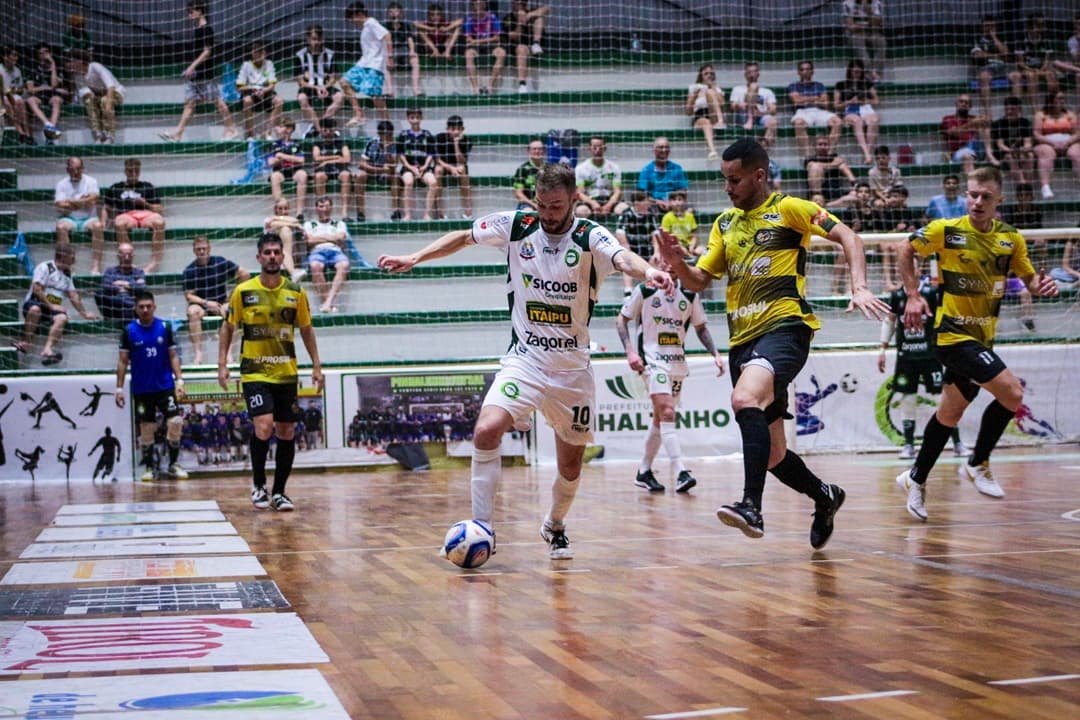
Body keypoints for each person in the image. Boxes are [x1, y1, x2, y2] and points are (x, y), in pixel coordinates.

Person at [378, 163, 674, 560]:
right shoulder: (517, 225)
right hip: (525, 361)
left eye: (556, 206)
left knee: (570, 467)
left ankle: (554, 525)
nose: (549, 214)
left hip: (572, 371)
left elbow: (623, 259)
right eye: (543, 205)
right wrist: (415, 257)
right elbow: (463, 237)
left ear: (573, 200)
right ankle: (483, 527)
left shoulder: (589, 235)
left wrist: (650, 271)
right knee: (486, 431)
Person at [655, 138, 889, 548]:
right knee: (776, 455)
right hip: (742, 342)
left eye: (735, 179)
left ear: (759, 175)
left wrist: (860, 286)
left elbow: (849, 236)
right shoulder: (725, 223)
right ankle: (825, 496)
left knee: (745, 400)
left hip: (786, 328)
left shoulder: (789, 209)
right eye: (725, 180)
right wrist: (678, 265)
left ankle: (751, 506)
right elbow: (699, 281)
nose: (728, 188)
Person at [895, 166, 1059, 519]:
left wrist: (1040, 286)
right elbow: (904, 249)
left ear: (999, 199)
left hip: (982, 338)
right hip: (952, 335)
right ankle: (978, 462)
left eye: (985, 196)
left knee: (949, 413)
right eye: (972, 194)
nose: (977, 201)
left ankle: (916, 478)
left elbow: (1029, 280)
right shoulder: (946, 231)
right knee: (1012, 393)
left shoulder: (1010, 239)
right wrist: (912, 294)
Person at [219, 233, 325, 512]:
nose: (272, 256)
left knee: (287, 430)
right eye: (267, 252)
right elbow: (228, 327)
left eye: (277, 252)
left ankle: (279, 492)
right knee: (264, 426)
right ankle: (258, 485)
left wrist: (316, 365)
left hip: (286, 372)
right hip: (255, 372)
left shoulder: (295, 292)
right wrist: (222, 364)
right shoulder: (243, 291)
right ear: (259, 257)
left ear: (282, 256)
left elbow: (306, 329)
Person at [616, 260, 724, 493]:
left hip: (676, 363)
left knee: (660, 418)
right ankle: (680, 471)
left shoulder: (690, 295)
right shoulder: (645, 289)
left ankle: (644, 471)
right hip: (652, 362)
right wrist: (630, 351)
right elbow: (621, 319)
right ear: (657, 264)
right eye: (665, 261)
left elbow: (701, 327)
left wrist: (715, 353)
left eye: (675, 262)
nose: (670, 266)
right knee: (667, 412)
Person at [879, 266, 967, 460]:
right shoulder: (896, 296)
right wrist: (882, 349)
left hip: (931, 356)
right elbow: (890, 321)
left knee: (943, 400)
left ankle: (957, 443)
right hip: (906, 358)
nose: (910, 269)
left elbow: (945, 319)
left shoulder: (932, 293)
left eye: (914, 264)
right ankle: (909, 446)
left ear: (919, 270)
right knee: (907, 400)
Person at [115, 290, 188, 481]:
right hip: (142, 389)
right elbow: (122, 362)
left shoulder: (165, 327)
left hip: (165, 386)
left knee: (175, 422)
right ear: (136, 309)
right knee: (147, 428)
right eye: (141, 307)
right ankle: (148, 467)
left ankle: (173, 464)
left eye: (149, 306)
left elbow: (173, 355)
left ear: (154, 307)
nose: (145, 310)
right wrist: (119, 389)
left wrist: (179, 379)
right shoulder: (128, 331)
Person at [159, 1, 237, 142]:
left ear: (200, 11)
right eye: (188, 12)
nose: (189, 14)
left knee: (217, 101)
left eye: (191, 11)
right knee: (189, 103)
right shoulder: (198, 30)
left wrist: (191, 66)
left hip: (205, 73)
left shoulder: (206, 29)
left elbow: (207, 52)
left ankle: (231, 128)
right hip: (196, 75)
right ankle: (178, 133)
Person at [16, 244, 99, 366]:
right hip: (36, 302)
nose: (74, 260)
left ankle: (48, 349)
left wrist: (84, 313)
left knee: (62, 318)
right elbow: (37, 289)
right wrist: (51, 306)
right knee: (35, 310)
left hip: (52, 309)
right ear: (64, 257)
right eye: (72, 257)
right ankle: (27, 342)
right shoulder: (45, 267)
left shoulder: (67, 274)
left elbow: (73, 295)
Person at [183, 236, 249, 365]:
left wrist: (232, 297)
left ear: (209, 249)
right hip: (201, 305)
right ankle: (198, 354)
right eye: (198, 249)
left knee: (231, 310)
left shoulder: (220, 262)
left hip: (221, 303)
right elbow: (189, 296)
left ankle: (229, 355)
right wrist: (206, 303)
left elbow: (245, 274)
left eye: (204, 248)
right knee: (192, 311)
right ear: (194, 251)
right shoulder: (189, 270)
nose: (202, 251)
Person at [102, 158, 165, 273]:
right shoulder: (116, 187)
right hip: (127, 215)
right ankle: (129, 259)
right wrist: (103, 223)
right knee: (119, 223)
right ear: (125, 172)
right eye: (131, 171)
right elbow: (106, 208)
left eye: (137, 171)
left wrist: (145, 203)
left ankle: (153, 263)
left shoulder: (147, 186)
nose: (134, 174)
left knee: (160, 222)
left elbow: (160, 208)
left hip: (146, 214)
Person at [340, 1, 392, 126]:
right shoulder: (365, 27)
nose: (353, 22)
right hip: (364, 63)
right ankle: (359, 114)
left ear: (360, 14)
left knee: (374, 95)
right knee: (344, 81)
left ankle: (387, 122)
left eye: (352, 18)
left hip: (374, 65)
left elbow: (387, 35)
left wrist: (390, 57)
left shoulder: (371, 22)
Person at [54, 157, 106, 275]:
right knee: (61, 227)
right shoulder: (61, 184)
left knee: (98, 226)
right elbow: (59, 205)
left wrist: (71, 202)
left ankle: (96, 266)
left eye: (78, 169)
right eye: (73, 169)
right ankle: (67, 267)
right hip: (69, 218)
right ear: (67, 169)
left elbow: (93, 200)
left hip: (89, 218)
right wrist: (82, 202)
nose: (76, 172)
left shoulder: (91, 181)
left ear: (83, 168)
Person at [294, 24, 348, 137]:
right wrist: (316, 88)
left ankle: (319, 125)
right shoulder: (300, 55)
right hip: (309, 87)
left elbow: (333, 79)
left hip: (325, 86)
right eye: (313, 39)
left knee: (340, 97)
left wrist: (325, 87)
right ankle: (320, 130)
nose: (316, 42)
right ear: (307, 39)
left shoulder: (329, 54)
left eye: (319, 39)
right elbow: (300, 82)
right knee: (302, 98)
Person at [303, 196, 351, 313]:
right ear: (316, 208)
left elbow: (341, 238)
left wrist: (318, 238)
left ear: (331, 208)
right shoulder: (310, 224)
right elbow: (309, 241)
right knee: (315, 266)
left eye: (327, 206)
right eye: (321, 206)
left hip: (336, 252)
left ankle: (327, 303)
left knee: (344, 265)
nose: (324, 209)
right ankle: (329, 304)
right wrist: (331, 238)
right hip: (317, 252)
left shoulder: (339, 223)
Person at [67, 49, 125, 144]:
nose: (69, 64)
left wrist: (108, 105)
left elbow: (110, 86)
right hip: (98, 94)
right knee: (89, 100)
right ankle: (98, 133)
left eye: (72, 61)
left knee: (105, 101)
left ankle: (110, 134)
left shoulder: (95, 66)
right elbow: (84, 92)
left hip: (115, 92)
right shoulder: (77, 75)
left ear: (80, 61)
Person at [970, 15, 1021, 118]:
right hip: (986, 67)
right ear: (982, 27)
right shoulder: (977, 40)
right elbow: (978, 55)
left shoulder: (1001, 38)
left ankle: (1016, 110)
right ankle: (988, 113)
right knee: (984, 77)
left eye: (992, 26)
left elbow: (1005, 53)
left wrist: (994, 37)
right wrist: (996, 55)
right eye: (987, 26)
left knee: (1016, 75)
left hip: (1003, 66)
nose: (989, 28)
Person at [1032, 90, 1080, 200]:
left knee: (1077, 153)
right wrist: (1052, 143)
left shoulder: (1070, 114)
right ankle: (1045, 187)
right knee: (1047, 153)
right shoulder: (1041, 114)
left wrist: (1067, 142)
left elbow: (1077, 133)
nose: (1061, 101)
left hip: (1067, 142)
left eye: (1062, 98)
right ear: (1051, 100)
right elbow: (1036, 134)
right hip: (1046, 142)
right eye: (1058, 98)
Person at [788, 59, 841, 157]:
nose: (805, 71)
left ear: (812, 71)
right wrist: (816, 98)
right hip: (803, 111)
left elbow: (825, 103)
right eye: (802, 69)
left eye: (808, 69)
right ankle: (808, 157)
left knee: (837, 121)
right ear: (798, 72)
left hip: (820, 111)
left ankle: (828, 153)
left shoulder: (819, 85)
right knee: (799, 123)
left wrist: (804, 99)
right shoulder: (793, 86)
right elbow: (796, 101)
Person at [833, 58, 879, 165]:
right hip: (850, 109)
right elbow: (836, 105)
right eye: (854, 71)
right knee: (857, 120)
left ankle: (868, 153)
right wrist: (849, 102)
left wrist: (865, 100)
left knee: (874, 120)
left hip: (865, 108)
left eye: (859, 71)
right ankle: (867, 154)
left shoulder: (867, 84)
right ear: (850, 71)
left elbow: (876, 101)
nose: (857, 74)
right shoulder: (840, 85)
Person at [397, 107, 438, 221]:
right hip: (408, 168)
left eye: (417, 117)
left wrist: (425, 166)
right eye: (412, 117)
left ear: (421, 118)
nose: (415, 120)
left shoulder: (427, 135)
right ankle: (407, 214)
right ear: (408, 119)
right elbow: (401, 154)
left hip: (424, 168)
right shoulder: (403, 135)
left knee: (433, 182)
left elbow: (431, 153)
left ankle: (427, 214)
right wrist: (409, 167)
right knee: (409, 182)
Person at [356, 119, 401, 222]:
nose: (387, 137)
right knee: (360, 176)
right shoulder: (371, 143)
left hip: (386, 172)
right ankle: (360, 212)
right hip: (372, 170)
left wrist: (387, 154)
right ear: (379, 134)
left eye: (389, 134)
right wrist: (380, 170)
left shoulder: (395, 145)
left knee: (396, 176)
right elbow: (362, 164)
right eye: (384, 135)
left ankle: (396, 211)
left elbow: (393, 167)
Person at [615, 191, 660, 294]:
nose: (648, 204)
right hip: (632, 249)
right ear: (637, 203)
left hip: (647, 249)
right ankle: (628, 292)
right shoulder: (626, 214)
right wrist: (628, 251)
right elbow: (620, 234)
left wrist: (656, 252)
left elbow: (656, 235)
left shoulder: (651, 214)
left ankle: (651, 289)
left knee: (657, 259)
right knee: (626, 260)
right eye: (646, 202)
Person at [236, 42, 283, 140]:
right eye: (255, 52)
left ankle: (268, 133)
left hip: (265, 91)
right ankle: (250, 134)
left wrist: (264, 90)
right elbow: (239, 87)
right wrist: (253, 89)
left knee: (279, 101)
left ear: (264, 53)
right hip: (250, 91)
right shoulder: (246, 65)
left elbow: (272, 84)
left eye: (260, 52)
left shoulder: (269, 64)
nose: (258, 55)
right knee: (247, 101)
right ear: (252, 53)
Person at [941, 94, 995, 173]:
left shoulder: (974, 118)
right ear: (956, 104)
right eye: (961, 101)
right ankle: (973, 184)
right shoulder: (948, 119)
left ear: (970, 106)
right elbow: (955, 133)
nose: (963, 104)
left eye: (966, 102)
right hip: (959, 152)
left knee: (984, 124)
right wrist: (972, 123)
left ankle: (989, 153)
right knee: (967, 156)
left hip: (978, 149)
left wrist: (984, 120)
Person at [728, 60, 778, 148]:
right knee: (753, 87)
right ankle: (750, 119)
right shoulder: (738, 89)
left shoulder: (767, 91)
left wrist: (760, 113)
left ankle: (763, 151)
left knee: (773, 122)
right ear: (745, 75)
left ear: (758, 74)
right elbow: (732, 106)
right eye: (749, 72)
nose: (752, 75)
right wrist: (742, 105)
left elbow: (773, 109)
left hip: (760, 116)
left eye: (754, 72)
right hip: (744, 116)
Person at [504, 0, 551, 93]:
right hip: (519, 47)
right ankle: (522, 84)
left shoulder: (531, 11)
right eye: (516, 2)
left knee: (539, 17)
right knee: (522, 48)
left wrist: (530, 15)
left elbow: (547, 8)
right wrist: (520, 24)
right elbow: (514, 37)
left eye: (522, 2)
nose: (519, 4)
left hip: (534, 47)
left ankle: (536, 43)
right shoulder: (508, 18)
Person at [267, 117, 309, 220]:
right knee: (274, 176)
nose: (286, 130)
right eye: (283, 127)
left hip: (295, 170)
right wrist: (290, 158)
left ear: (293, 130)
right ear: (279, 129)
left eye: (289, 127)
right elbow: (271, 162)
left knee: (303, 175)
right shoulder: (274, 144)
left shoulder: (297, 144)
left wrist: (282, 156)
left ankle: (299, 213)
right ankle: (280, 208)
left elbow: (301, 160)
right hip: (280, 171)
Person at [573, 135, 625, 218]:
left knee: (623, 209)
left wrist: (609, 205)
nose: (598, 150)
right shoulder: (581, 168)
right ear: (589, 148)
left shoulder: (613, 167)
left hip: (609, 199)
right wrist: (592, 203)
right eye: (594, 147)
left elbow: (617, 191)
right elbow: (580, 192)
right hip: (590, 200)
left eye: (600, 147)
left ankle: (619, 231)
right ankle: (583, 231)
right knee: (581, 211)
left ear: (605, 148)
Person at [1015, 13, 1057, 113]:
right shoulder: (1021, 39)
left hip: (1041, 69)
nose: (1042, 27)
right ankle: (1035, 110)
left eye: (1042, 24)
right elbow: (1020, 63)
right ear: (1031, 26)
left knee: (1051, 74)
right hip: (1026, 69)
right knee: (1031, 76)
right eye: (1039, 24)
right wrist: (1032, 69)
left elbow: (1047, 61)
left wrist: (1042, 69)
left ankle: (1052, 107)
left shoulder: (1046, 39)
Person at [25, 43, 67, 144]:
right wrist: (43, 87)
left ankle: (50, 133)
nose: (44, 55)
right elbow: (30, 90)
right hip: (39, 96)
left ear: (50, 53)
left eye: (46, 52)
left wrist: (53, 65)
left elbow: (54, 85)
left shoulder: (58, 68)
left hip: (53, 95)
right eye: (41, 53)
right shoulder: (33, 69)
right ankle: (48, 125)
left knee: (56, 101)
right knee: (30, 100)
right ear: (38, 56)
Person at [312, 118, 353, 219]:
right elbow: (317, 158)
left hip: (339, 168)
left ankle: (344, 213)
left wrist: (326, 161)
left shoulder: (341, 142)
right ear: (321, 130)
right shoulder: (317, 143)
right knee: (319, 176)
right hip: (324, 170)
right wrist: (336, 157)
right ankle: (323, 212)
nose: (328, 132)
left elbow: (347, 159)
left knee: (346, 175)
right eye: (325, 130)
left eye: (330, 130)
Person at [433, 114, 472, 218]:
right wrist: (450, 168)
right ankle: (439, 211)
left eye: (458, 129)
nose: (455, 132)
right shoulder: (440, 138)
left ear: (462, 129)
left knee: (463, 169)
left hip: (458, 166)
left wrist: (456, 144)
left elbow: (463, 161)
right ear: (447, 129)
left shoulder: (467, 140)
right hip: (444, 166)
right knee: (437, 170)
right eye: (453, 129)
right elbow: (437, 160)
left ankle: (468, 211)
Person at [95, 242, 146, 322]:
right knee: (99, 293)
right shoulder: (110, 271)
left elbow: (141, 287)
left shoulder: (138, 272)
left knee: (128, 310)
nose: (127, 258)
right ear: (118, 256)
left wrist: (123, 283)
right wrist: (120, 289)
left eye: (129, 255)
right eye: (124, 255)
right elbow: (106, 285)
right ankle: (130, 305)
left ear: (133, 256)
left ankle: (130, 307)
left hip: (130, 311)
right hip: (115, 308)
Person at [992, 95, 1035, 186]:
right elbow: (1001, 145)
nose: (1009, 112)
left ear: (1019, 109)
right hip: (1003, 153)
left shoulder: (1025, 122)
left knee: (1030, 156)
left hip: (1020, 151)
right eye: (1007, 109)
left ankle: (1028, 185)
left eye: (1012, 109)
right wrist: (1013, 151)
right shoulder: (998, 124)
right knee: (1011, 157)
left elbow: (1028, 143)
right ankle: (1022, 185)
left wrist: (1024, 149)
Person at [464, 0, 505, 94]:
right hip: (476, 47)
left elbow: (496, 38)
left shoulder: (492, 18)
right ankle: (476, 88)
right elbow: (468, 40)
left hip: (490, 46)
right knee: (468, 54)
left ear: (485, 4)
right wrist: (475, 42)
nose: (478, 5)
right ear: (473, 5)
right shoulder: (470, 20)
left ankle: (490, 86)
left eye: (481, 3)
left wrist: (477, 41)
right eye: (476, 3)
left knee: (501, 53)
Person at [685, 63, 726, 161]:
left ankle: (720, 121)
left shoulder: (717, 88)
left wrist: (713, 87)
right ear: (701, 76)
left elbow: (722, 104)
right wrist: (695, 95)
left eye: (711, 73)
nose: (709, 76)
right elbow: (688, 112)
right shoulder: (695, 88)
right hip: (700, 117)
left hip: (713, 115)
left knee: (710, 92)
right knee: (706, 123)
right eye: (706, 73)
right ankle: (712, 151)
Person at [638, 137, 689, 213]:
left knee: (689, 211)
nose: (664, 150)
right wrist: (657, 201)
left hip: (674, 204)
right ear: (654, 150)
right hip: (654, 205)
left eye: (666, 147)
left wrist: (672, 201)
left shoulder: (676, 168)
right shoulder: (647, 170)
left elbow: (683, 190)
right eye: (661, 147)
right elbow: (642, 194)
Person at [384, 2, 423, 98]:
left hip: (403, 49)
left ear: (401, 13)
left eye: (396, 11)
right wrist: (389, 55)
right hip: (391, 50)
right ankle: (389, 91)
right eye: (391, 12)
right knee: (384, 63)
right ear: (388, 14)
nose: (394, 14)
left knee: (415, 59)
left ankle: (416, 89)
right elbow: (385, 42)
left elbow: (410, 39)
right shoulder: (385, 26)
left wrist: (412, 50)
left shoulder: (405, 26)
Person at [804, 135, 856, 207]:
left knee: (853, 197)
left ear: (829, 146)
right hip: (818, 197)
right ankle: (821, 201)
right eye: (820, 144)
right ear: (814, 146)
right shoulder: (810, 159)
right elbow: (814, 166)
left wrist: (853, 188)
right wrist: (835, 164)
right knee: (815, 168)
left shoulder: (835, 158)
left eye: (825, 144)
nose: (823, 147)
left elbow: (844, 167)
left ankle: (827, 205)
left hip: (836, 197)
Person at [842, 0, 886, 81]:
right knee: (857, 40)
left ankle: (877, 73)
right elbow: (851, 27)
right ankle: (869, 74)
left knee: (881, 41)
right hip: (856, 34)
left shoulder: (876, 3)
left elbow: (877, 24)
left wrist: (868, 11)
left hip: (872, 33)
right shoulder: (847, 3)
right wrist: (867, 26)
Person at [264, 197, 306, 278]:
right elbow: (274, 224)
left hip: (289, 254)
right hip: (271, 252)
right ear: (275, 209)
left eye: (286, 208)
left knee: (285, 230)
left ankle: (293, 272)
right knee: (285, 229)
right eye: (280, 208)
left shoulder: (275, 219)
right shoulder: (267, 220)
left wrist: (275, 218)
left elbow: (294, 220)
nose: (283, 211)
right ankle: (293, 273)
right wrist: (296, 225)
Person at [0, 46, 33, 145]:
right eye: (13, 55)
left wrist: (14, 91)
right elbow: (5, 90)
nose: (16, 58)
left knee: (20, 102)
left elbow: (20, 89)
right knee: (8, 103)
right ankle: (20, 132)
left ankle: (27, 134)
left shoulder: (17, 70)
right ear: (5, 57)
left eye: (17, 56)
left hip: (13, 96)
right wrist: (12, 91)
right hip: (3, 98)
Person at [660, 189, 700, 257]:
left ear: (684, 201)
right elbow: (666, 237)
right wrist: (679, 246)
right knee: (682, 251)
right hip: (675, 246)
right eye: (674, 200)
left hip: (689, 245)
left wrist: (692, 246)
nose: (677, 202)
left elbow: (694, 236)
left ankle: (692, 258)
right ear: (669, 202)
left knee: (703, 251)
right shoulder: (667, 217)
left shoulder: (690, 216)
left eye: (679, 199)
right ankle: (690, 258)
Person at [512, 139, 546, 210]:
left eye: (540, 149)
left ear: (544, 151)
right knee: (528, 212)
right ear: (528, 151)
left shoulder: (550, 169)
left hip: (547, 204)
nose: (537, 151)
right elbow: (518, 194)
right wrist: (534, 205)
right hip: (528, 204)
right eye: (534, 149)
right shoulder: (522, 169)